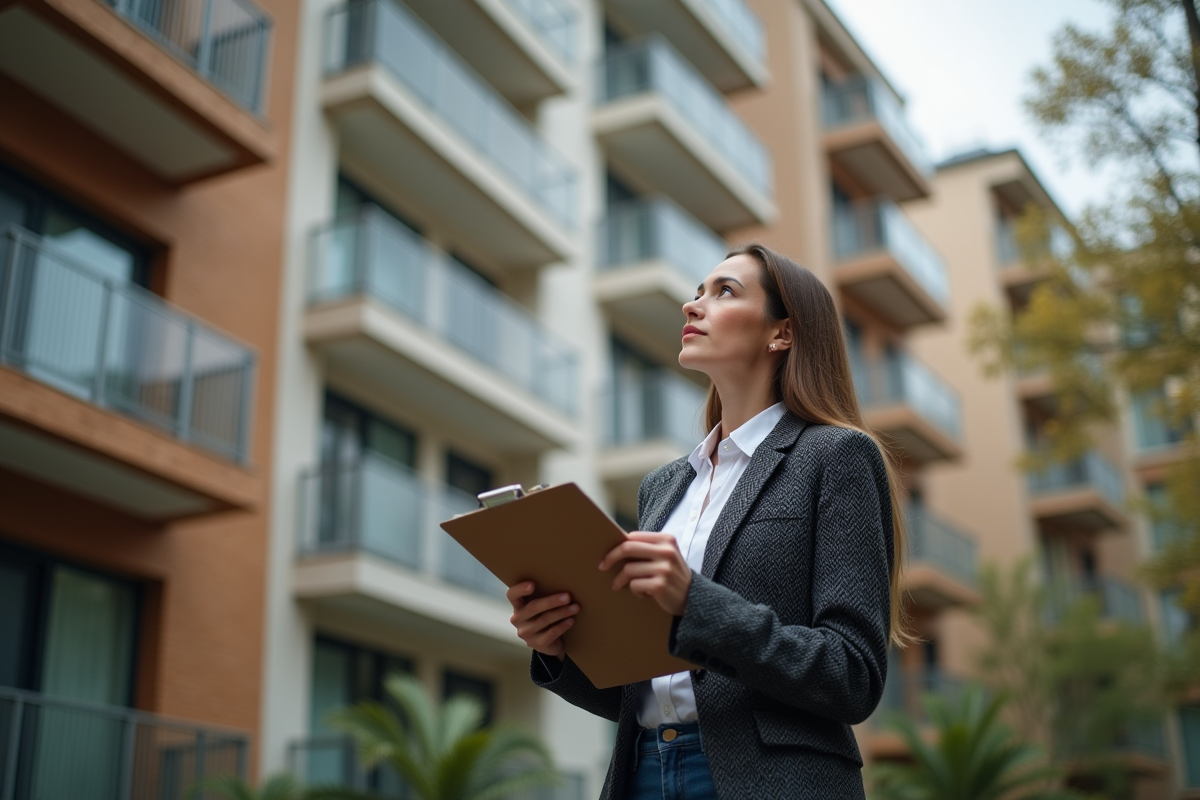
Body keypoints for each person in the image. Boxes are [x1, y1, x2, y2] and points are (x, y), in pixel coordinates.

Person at [506, 243, 910, 799]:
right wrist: (558, 649)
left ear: (782, 334)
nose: (692, 306)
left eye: (724, 292)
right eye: (697, 292)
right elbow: (637, 693)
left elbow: (852, 675)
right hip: (642, 769)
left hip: (768, 782)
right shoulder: (665, 486)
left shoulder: (836, 457)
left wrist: (693, 601)